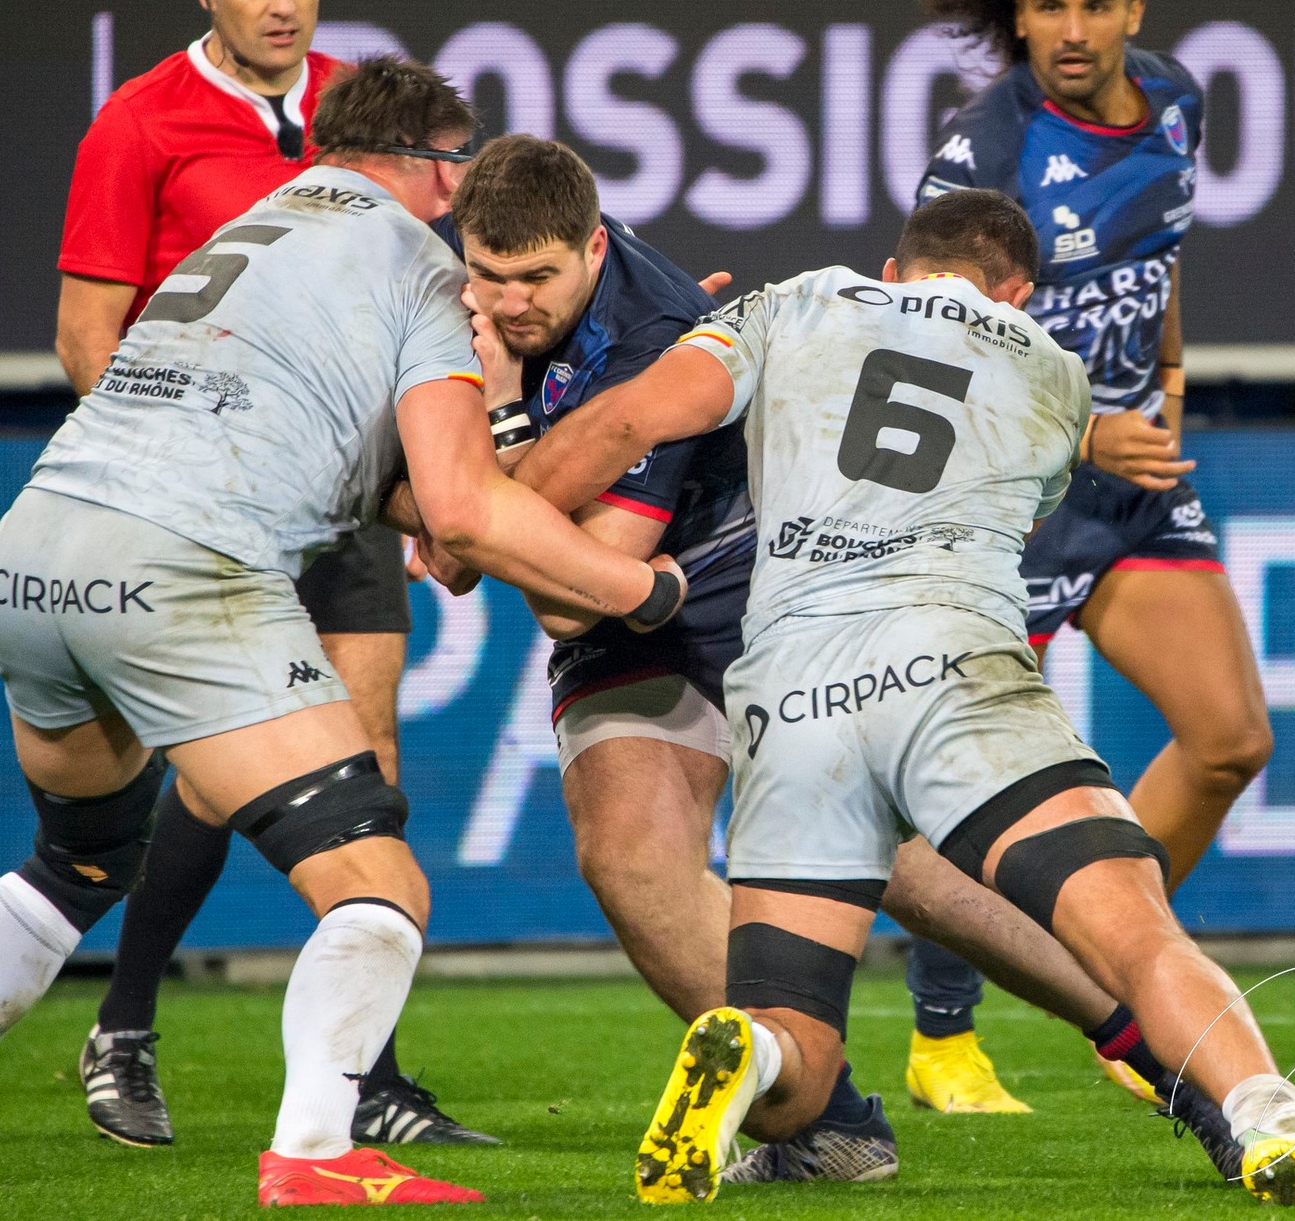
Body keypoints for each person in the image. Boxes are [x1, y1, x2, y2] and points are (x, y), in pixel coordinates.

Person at [0, 58, 687, 1207]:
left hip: (35, 549)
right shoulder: (421, 267)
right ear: (426, 165)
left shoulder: (254, 224)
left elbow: (401, 493)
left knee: (75, 860)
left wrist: (473, 503)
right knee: (379, 883)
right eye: (457, 162)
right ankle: (315, 1152)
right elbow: (466, 510)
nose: (463, 191)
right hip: (183, 567)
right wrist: (643, 594)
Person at [511, 188, 1295, 1210]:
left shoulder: (792, 301)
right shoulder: (1051, 372)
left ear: (891, 269)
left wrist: (501, 509)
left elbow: (628, 417)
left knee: (795, 1019)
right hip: (950, 663)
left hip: (789, 690)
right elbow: (1016, 506)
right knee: (1136, 926)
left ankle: (751, 1052)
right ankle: (1270, 1123)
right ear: (1018, 293)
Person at [398, 138, 1243, 1185]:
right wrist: (461, 509)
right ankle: (819, 1117)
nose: (512, 301)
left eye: (538, 279)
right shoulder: (439, 294)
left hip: (746, 588)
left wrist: (482, 464)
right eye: (491, 275)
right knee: (630, 858)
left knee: (907, 866)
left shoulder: (656, 324)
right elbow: (459, 517)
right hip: (631, 611)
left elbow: (571, 584)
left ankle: (1176, 1060)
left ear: (592, 247)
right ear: (459, 247)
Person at [53, 0, 484, 1148]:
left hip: (338, 498)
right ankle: (123, 1023)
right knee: (204, 769)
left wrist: (410, 478)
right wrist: (191, 454)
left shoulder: (365, 109)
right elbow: (87, 337)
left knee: (366, 770)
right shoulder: (138, 124)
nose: (282, 4)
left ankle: (370, 1083)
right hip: (201, 501)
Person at [899, 0, 1275, 1116]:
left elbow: (1156, 257)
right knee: (967, 785)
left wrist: (1163, 375)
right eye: (1046, 6)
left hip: (1132, 485)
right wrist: (1079, 421)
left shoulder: (1175, 101)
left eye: (1094, 4)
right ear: (1017, 17)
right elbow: (930, 338)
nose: (1071, 28)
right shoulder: (986, 149)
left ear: (1134, 11)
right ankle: (943, 1042)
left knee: (1227, 739)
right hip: (1009, 488)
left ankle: (1123, 986)